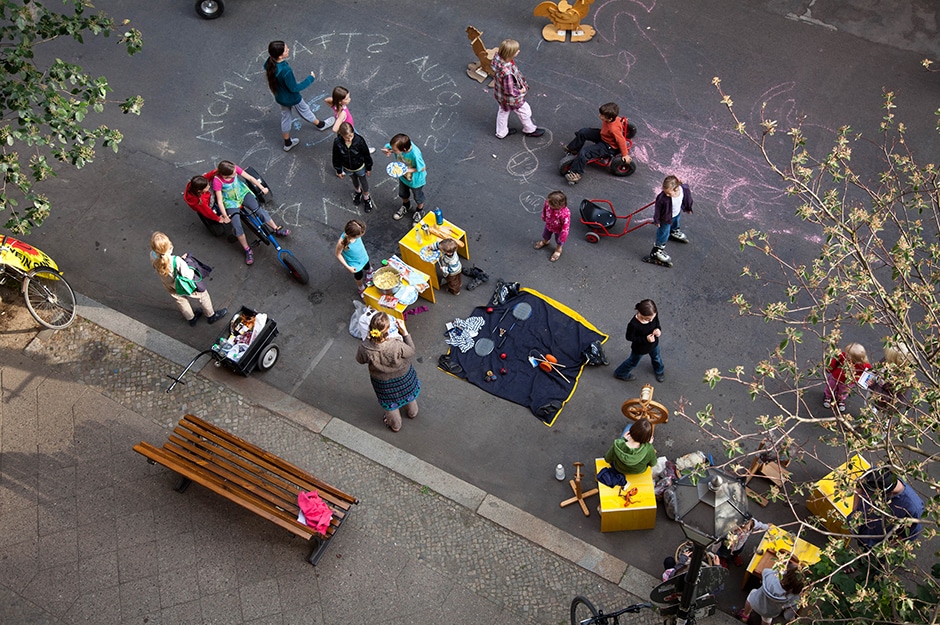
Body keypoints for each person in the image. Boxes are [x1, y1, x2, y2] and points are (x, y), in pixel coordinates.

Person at [208, 161, 291, 265]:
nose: (236, 173)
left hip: (242, 193)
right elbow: (220, 201)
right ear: (225, 175)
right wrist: (225, 216)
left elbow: (250, 178)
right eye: (233, 173)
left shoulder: (234, 168)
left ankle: (276, 229)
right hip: (231, 202)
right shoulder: (217, 181)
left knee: (259, 211)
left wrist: (262, 188)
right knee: (237, 226)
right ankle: (247, 249)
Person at [263, 40, 334, 152]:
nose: (288, 49)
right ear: (280, 55)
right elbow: (294, 88)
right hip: (292, 97)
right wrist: (310, 78)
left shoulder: (270, 62)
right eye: (286, 49)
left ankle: (287, 143)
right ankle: (321, 125)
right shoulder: (285, 71)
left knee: (286, 117)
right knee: (305, 110)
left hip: (280, 97)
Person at [356, 313, 421, 433]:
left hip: (384, 384)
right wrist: (405, 332)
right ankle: (412, 413)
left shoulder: (365, 348)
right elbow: (411, 351)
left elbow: (360, 360)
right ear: (388, 330)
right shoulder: (396, 344)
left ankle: (395, 425)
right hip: (405, 379)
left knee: (391, 405)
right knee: (409, 396)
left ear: (370, 329)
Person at [149, 232, 226, 326]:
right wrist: (186, 262)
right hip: (183, 284)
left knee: (180, 300)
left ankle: (191, 318)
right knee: (202, 295)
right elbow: (189, 275)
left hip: (168, 284)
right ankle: (211, 316)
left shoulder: (152, 255)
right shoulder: (176, 260)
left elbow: (164, 266)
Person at [852, 467, 924, 548]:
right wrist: (854, 511)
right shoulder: (875, 473)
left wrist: (885, 547)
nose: (869, 496)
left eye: (873, 495)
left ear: (888, 493)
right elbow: (859, 486)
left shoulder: (913, 508)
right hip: (860, 526)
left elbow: (909, 534)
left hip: (875, 543)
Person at [562, 102, 632, 185]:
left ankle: (576, 173)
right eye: (601, 114)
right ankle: (573, 148)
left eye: (602, 116)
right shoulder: (615, 118)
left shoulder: (613, 129)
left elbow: (621, 141)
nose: (600, 116)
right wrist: (623, 123)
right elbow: (618, 120)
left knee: (584, 152)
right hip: (604, 136)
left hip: (609, 146)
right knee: (583, 132)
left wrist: (625, 155)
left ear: (609, 119)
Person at [491, 39, 545, 140]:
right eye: (517, 50)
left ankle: (501, 132)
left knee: (503, 112)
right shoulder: (507, 74)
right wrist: (521, 91)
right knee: (524, 111)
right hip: (511, 99)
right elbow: (510, 91)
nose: (519, 51)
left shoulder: (498, 60)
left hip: (501, 96)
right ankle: (529, 129)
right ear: (510, 54)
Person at [613, 299, 665, 383]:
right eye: (648, 319)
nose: (651, 321)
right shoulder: (633, 324)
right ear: (641, 314)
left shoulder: (652, 315)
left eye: (653, 318)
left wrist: (658, 329)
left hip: (654, 344)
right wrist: (645, 339)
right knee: (632, 362)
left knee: (656, 358)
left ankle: (659, 371)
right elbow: (629, 337)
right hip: (640, 348)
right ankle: (620, 373)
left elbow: (657, 323)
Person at [649, 175, 694, 266]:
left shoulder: (684, 189)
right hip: (665, 218)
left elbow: (688, 198)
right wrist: (657, 220)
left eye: (669, 193)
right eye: (665, 192)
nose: (666, 195)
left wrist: (688, 208)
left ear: (677, 188)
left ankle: (674, 231)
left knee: (676, 221)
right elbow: (657, 209)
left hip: (675, 213)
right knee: (664, 233)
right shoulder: (662, 198)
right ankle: (657, 250)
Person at [382, 133, 427, 223]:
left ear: (404, 149)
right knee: (403, 193)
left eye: (395, 150)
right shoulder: (398, 146)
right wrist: (386, 150)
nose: (393, 151)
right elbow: (388, 146)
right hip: (403, 177)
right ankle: (406, 205)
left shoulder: (415, 154)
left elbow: (422, 168)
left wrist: (406, 170)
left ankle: (419, 211)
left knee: (418, 197)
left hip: (415, 180)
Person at [332, 122, 375, 212]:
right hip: (348, 167)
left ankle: (366, 197)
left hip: (360, 166)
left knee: (363, 181)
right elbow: (336, 157)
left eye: (351, 136)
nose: (350, 139)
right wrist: (339, 170)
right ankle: (358, 192)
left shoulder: (359, 140)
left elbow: (366, 154)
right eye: (347, 137)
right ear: (342, 135)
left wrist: (368, 167)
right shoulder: (337, 142)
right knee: (354, 180)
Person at [737, 567, 804, 624]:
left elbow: (765, 571)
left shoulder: (772, 577)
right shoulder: (795, 597)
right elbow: (788, 615)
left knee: (753, 592)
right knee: (767, 619)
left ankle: (745, 615)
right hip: (770, 612)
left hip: (756, 601)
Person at [823, 342, 871, 411]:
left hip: (848, 382)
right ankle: (828, 396)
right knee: (831, 386)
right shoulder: (843, 355)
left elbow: (866, 373)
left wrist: (857, 379)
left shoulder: (863, 365)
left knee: (843, 392)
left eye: (848, 354)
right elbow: (835, 361)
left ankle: (840, 400)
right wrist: (830, 368)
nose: (846, 354)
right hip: (835, 377)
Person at [868, 343, 913, 414]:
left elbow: (896, 400)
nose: (885, 358)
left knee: (880, 415)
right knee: (868, 405)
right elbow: (878, 365)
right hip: (874, 387)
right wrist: (873, 371)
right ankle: (868, 416)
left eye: (888, 358)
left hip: (884, 403)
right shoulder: (887, 360)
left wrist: (875, 387)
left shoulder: (902, 380)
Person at [334, 219, 372, 297]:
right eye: (361, 234)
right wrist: (348, 267)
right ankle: (361, 287)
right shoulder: (342, 243)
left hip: (363, 257)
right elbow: (338, 254)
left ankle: (370, 271)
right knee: (359, 276)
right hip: (354, 264)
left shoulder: (354, 234)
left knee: (367, 266)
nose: (363, 234)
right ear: (354, 235)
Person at [534, 190, 570, 262]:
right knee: (545, 235)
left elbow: (566, 227)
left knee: (558, 240)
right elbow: (545, 208)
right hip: (549, 224)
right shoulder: (548, 203)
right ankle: (545, 241)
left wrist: (563, 237)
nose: (548, 204)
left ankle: (558, 249)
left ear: (558, 206)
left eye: (550, 204)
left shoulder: (565, 214)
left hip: (559, 229)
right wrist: (544, 216)